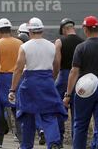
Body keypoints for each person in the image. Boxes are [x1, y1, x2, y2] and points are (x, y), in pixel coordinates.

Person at [10, 17, 66, 149]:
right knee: (49, 113)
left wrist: (12, 89)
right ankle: (53, 142)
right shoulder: (52, 46)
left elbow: (18, 69)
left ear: (29, 31)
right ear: (42, 30)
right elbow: (57, 65)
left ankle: (26, 145)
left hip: (30, 82)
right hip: (47, 80)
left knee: (27, 116)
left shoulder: (24, 47)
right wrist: (51, 78)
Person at [63, 16, 98, 149]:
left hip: (84, 89)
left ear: (85, 29)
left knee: (80, 125)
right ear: (97, 28)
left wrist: (68, 95)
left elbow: (74, 72)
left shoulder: (81, 48)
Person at [0, 18, 23, 148]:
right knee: (18, 110)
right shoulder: (20, 43)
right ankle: (23, 141)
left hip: (2, 79)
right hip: (18, 78)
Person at [52, 18, 84, 145]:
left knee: (58, 109)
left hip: (64, 77)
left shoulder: (59, 42)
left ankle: (58, 141)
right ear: (73, 28)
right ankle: (76, 142)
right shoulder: (82, 43)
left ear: (64, 29)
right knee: (77, 113)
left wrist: (53, 77)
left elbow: (57, 63)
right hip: (79, 78)